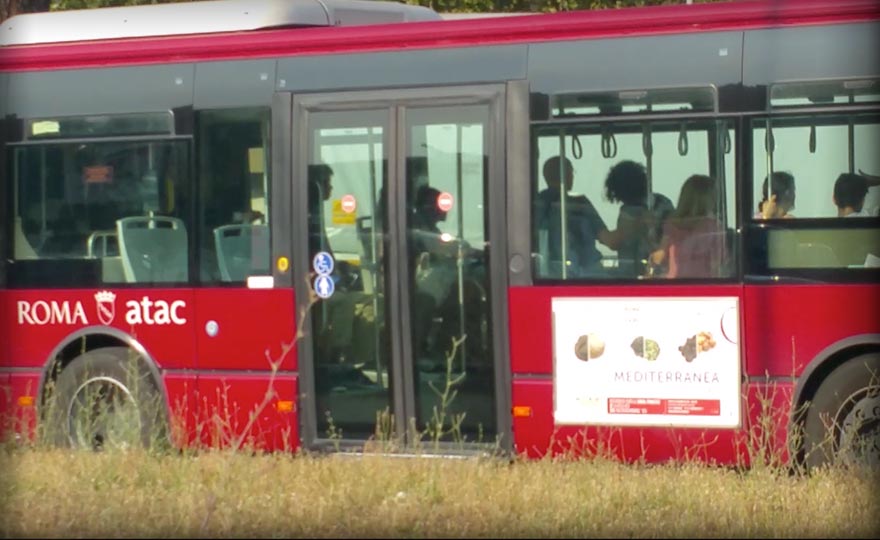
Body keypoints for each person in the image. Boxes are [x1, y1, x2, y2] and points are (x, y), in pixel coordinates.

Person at [534, 155, 608, 277]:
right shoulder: (579, 202)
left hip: (547, 273)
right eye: (572, 172)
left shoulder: (535, 203)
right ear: (566, 175)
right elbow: (607, 239)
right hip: (585, 272)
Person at [600, 160, 674, 277]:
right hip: (661, 269)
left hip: (633, 272)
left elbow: (615, 242)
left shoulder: (628, 211)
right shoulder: (663, 202)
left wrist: (600, 235)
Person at [650, 174, 727, 278]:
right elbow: (719, 262)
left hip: (675, 285)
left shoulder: (672, 225)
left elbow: (661, 257)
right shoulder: (713, 227)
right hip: (705, 285)